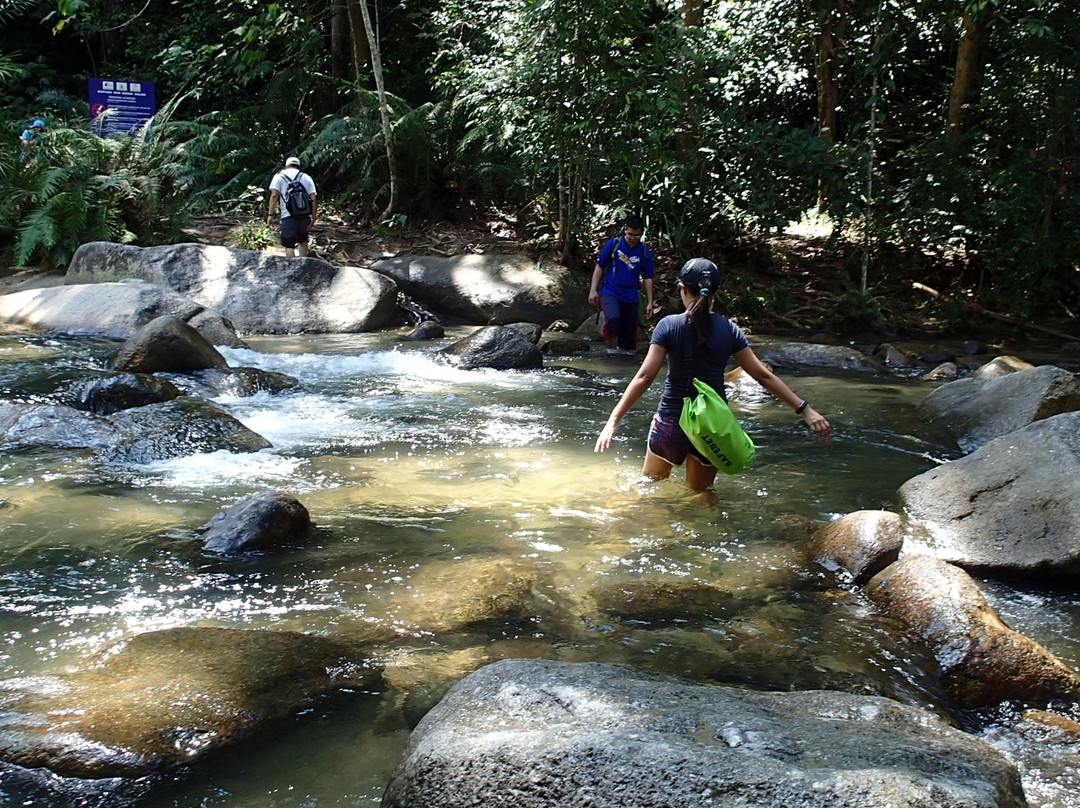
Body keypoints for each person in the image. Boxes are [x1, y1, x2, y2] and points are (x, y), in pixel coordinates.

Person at [595, 257, 831, 491]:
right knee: (700, 496)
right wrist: (805, 410)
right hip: (713, 426)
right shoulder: (729, 330)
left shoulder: (668, 326)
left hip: (671, 421)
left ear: (682, 290)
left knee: (650, 490)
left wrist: (613, 421)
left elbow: (644, 377)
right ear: (715, 293)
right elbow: (763, 376)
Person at [588, 215, 656, 353]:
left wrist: (650, 302)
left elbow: (648, 278)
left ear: (641, 233)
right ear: (625, 230)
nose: (632, 238)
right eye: (630, 234)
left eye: (636, 235)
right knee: (613, 318)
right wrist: (593, 290)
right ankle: (610, 350)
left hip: (631, 296)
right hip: (610, 292)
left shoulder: (645, 252)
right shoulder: (613, 244)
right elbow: (599, 266)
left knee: (628, 344)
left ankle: (622, 360)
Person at [266, 156, 318, 257]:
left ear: (286, 166)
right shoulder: (306, 177)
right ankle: (303, 266)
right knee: (303, 241)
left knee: (289, 245)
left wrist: (270, 215)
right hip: (304, 215)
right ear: (298, 166)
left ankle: (292, 269)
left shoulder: (279, 176)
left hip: (287, 215)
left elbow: (274, 195)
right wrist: (313, 217)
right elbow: (313, 198)